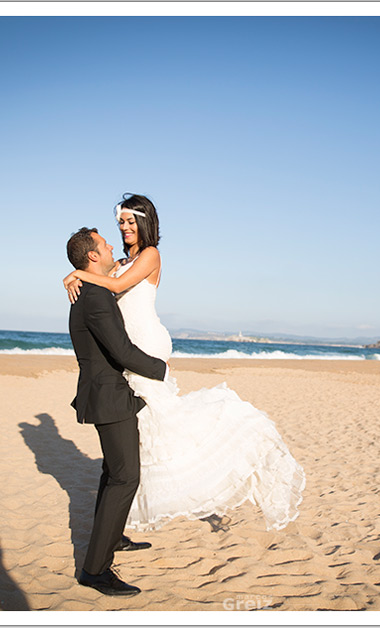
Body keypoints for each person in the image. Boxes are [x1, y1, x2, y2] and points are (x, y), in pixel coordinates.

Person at [63, 194, 305, 533]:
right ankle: (118, 522)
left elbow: (115, 286)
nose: (125, 228)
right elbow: (105, 279)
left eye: (131, 222)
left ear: (145, 222)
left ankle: (207, 475)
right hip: (129, 348)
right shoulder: (117, 261)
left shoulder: (151, 255)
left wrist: (77, 274)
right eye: (121, 223)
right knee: (145, 434)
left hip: (145, 344)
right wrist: (80, 276)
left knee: (165, 426)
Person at [65, 227, 168, 597]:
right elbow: (122, 351)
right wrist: (161, 370)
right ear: (93, 256)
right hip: (109, 397)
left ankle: (114, 538)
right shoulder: (94, 297)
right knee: (126, 478)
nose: (112, 244)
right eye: (104, 244)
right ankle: (95, 570)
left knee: (113, 472)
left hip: (107, 393)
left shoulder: (90, 289)